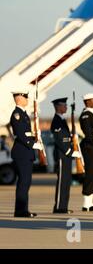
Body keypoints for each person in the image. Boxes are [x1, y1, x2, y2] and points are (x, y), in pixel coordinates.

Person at [10, 89, 41, 218]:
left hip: (26, 152)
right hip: (22, 152)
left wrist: (35, 137)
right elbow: (20, 133)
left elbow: (27, 133)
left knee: (26, 182)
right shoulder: (17, 114)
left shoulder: (23, 114)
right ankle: (20, 211)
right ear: (19, 99)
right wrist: (32, 143)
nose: (27, 100)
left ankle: (23, 209)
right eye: (25, 97)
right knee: (23, 182)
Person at [51, 97, 78, 214]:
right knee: (62, 181)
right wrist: (69, 151)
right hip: (62, 154)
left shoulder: (62, 120)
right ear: (58, 107)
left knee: (67, 181)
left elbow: (66, 138)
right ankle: (58, 207)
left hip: (66, 154)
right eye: (64, 105)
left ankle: (63, 206)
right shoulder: (56, 120)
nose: (66, 107)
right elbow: (59, 140)